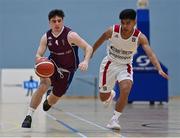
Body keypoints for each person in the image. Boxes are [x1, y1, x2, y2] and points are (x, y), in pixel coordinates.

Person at [92, 9, 169, 130]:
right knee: (103, 98)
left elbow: (151, 54)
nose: (125, 26)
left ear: (135, 22)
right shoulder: (112, 31)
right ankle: (110, 94)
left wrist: (158, 68)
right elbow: (98, 42)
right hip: (109, 64)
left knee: (126, 88)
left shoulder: (140, 37)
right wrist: (89, 54)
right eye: (122, 22)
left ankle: (114, 120)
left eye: (128, 23)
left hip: (125, 66)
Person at [22, 9, 93, 128]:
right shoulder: (46, 37)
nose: (56, 24)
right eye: (53, 21)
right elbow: (38, 55)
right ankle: (28, 116)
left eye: (59, 21)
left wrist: (85, 61)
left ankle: (50, 98)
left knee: (53, 99)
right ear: (49, 22)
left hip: (67, 71)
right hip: (52, 65)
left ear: (63, 21)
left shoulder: (71, 35)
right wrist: (39, 59)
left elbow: (88, 47)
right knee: (43, 85)